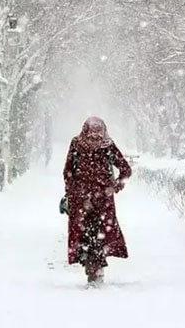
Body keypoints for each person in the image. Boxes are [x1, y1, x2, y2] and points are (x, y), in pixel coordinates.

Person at [63, 116, 132, 286]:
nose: (95, 139)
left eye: (98, 135)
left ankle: (95, 270)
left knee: (94, 236)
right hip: (89, 201)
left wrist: (114, 187)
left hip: (94, 202)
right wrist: (79, 194)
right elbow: (68, 172)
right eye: (92, 135)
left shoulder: (101, 146)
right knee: (91, 236)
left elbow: (125, 169)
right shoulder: (86, 145)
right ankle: (93, 269)